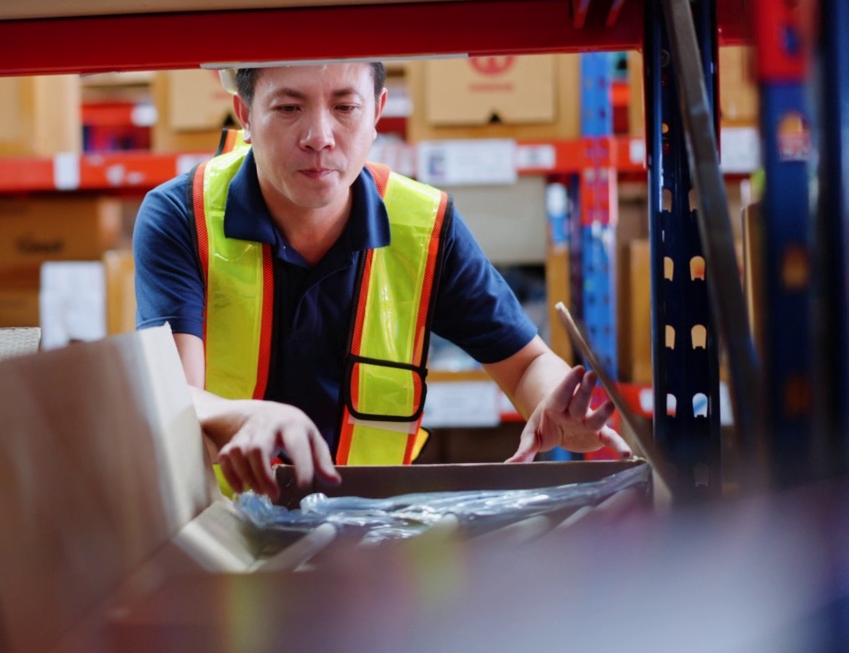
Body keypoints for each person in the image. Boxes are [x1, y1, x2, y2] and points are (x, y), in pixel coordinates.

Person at [133, 62, 629, 501]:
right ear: (242, 113)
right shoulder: (183, 216)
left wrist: (549, 403)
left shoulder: (425, 226)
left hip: (369, 537)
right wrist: (244, 417)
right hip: (222, 536)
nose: (320, 135)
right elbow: (174, 394)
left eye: (345, 106)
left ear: (377, 112)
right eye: (288, 108)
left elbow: (526, 366)